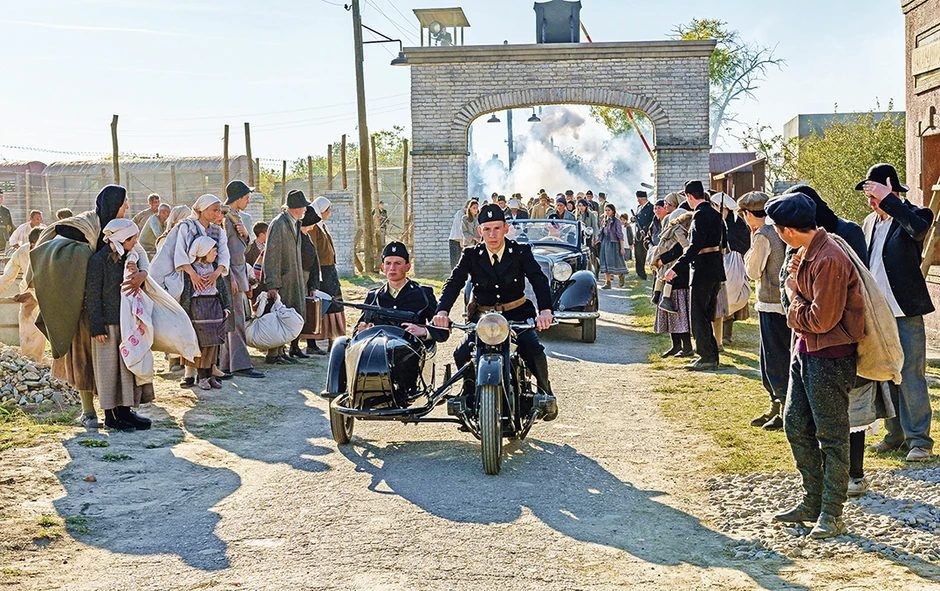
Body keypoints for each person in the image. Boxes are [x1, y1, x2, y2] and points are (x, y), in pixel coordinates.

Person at [768, 192, 865, 539]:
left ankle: (832, 512)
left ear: (787, 231)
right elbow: (804, 311)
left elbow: (821, 319)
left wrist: (794, 294)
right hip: (806, 350)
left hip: (830, 356)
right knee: (795, 424)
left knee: (832, 436)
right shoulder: (806, 252)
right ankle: (812, 501)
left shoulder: (829, 258)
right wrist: (796, 292)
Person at [31, 185, 149, 429]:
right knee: (85, 362)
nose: (127, 206)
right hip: (86, 310)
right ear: (114, 204)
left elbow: (138, 253)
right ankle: (89, 411)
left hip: (117, 312)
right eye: (124, 202)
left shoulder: (123, 233)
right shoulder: (85, 228)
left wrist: (141, 273)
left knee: (117, 363)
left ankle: (121, 411)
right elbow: (64, 258)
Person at [433, 203, 557, 421]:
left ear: (506, 229)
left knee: (533, 349)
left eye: (497, 228)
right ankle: (469, 398)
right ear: (479, 231)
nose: (492, 235)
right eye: (487, 229)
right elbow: (454, 282)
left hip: (516, 314)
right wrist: (442, 311)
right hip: (483, 318)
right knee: (462, 353)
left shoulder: (520, 251)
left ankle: (546, 394)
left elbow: (538, 279)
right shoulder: (471, 254)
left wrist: (545, 310)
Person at [860, 164, 936, 462]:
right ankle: (895, 436)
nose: (871, 201)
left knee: (910, 375)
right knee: (885, 373)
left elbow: (917, 231)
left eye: (875, 193)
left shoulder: (916, 214)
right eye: (869, 195)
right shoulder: (868, 222)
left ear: (890, 189)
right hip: (877, 314)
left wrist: (889, 199)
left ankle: (920, 441)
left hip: (904, 311)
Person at [85, 218, 154, 431]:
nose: (135, 243)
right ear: (122, 239)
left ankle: (125, 412)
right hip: (106, 325)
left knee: (125, 370)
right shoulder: (99, 260)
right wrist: (96, 327)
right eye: (132, 239)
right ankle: (110, 417)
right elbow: (92, 295)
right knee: (108, 370)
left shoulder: (126, 258)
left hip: (125, 322)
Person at [739, 191, 789, 431]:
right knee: (778, 356)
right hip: (784, 303)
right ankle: (776, 407)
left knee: (773, 359)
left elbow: (753, 271)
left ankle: (782, 410)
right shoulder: (779, 229)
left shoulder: (762, 235)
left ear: (749, 214)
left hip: (771, 302)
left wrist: (750, 250)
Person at [664, 180, 726, 371]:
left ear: (690, 196)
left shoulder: (699, 215)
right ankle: (711, 355)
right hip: (715, 268)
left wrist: (676, 267)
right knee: (706, 315)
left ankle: (706, 356)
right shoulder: (716, 213)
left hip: (703, 270)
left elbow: (694, 246)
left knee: (699, 316)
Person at [355, 241, 448, 344]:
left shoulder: (423, 294)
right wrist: (362, 330)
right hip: (379, 354)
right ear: (383, 268)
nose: (392, 268)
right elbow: (356, 332)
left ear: (407, 267)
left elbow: (443, 332)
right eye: (388, 263)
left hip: (412, 355)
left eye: (397, 263)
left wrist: (423, 331)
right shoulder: (373, 296)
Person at [219, 180, 264, 378]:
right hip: (231, 274)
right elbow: (223, 249)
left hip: (237, 271)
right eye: (246, 197)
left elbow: (241, 248)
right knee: (236, 319)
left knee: (234, 319)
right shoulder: (226, 217)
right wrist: (230, 277)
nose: (248, 201)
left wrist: (246, 236)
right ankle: (240, 365)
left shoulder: (235, 216)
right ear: (237, 198)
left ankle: (228, 364)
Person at [262, 190, 309, 363]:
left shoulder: (294, 223)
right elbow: (272, 255)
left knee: (288, 313)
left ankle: (281, 351)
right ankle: (273, 354)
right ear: (295, 207)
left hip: (292, 277)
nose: (305, 209)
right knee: (278, 314)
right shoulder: (279, 224)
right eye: (303, 206)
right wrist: (272, 283)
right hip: (282, 279)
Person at [180, 236, 231, 391]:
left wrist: (226, 306)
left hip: (213, 306)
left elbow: (221, 288)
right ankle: (202, 377)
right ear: (203, 252)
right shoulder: (192, 270)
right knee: (201, 343)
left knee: (213, 343)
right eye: (213, 251)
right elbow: (187, 292)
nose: (216, 254)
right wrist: (186, 311)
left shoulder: (214, 268)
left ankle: (210, 376)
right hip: (199, 308)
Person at [649, 210, 694, 358]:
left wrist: (661, 262)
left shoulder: (674, 233)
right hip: (674, 275)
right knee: (673, 314)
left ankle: (686, 347)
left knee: (679, 315)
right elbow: (678, 251)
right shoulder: (679, 234)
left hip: (677, 277)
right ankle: (676, 346)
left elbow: (677, 252)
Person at [306, 195, 347, 356]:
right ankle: (313, 342)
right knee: (321, 306)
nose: (329, 212)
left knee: (335, 304)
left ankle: (333, 339)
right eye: (328, 209)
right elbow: (313, 251)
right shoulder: (314, 228)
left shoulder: (322, 226)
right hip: (321, 271)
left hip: (329, 271)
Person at [0, 227, 45, 360]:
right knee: (28, 326)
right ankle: (32, 361)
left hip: (51, 295)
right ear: (32, 244)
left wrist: (33, 294)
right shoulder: (22, 252)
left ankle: (59, 365)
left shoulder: (52, 252)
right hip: (29, 292)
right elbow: (7, 276)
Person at [298, 206, 324, 355]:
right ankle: (294, 345)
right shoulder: (298, 237)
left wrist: (313, 284)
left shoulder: (306, 236)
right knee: (298, 309)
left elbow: (314, 260)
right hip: (299, 276)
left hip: (307, 276)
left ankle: (310, 343)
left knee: (307, 310)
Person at [598, 203, 628, 289]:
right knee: (605, 262)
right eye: (606, 210)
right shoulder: (604, 220)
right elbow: (602, 232)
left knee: (616, 261)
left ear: (613, 211)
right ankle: (608, 282)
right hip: (605, 242)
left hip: (614, 243)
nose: (607, 212)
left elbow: (620, 235)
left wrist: (622, 248)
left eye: (609, 210)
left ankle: (621, 275)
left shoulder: (617, 222)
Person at [633, 191, 653, 280]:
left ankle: (642, 274)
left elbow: (651, 221)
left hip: (645, 233)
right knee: (637, 253)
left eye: (639, 199)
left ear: (643, 198)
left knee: (642, 253)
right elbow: (638, 218)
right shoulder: (639, 207)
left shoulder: (651, 207)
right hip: (638, 233)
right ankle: (639, 272)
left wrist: (645, 229)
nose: (638, 200)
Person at [448, 203, 466, 268]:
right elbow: (459, 227)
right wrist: (461, 240)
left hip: (461, 241)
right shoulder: (460, 214)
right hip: (455, 240)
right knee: (455, 262)